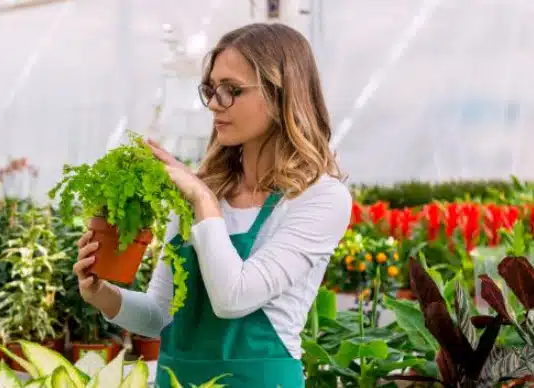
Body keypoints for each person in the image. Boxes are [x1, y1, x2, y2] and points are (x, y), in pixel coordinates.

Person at [73, 22, 352, 387]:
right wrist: (101, 294)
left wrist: (203, 200)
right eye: (211, 89)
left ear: (281, 94)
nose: (214, 105)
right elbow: (161, 314)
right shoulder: (205, 191)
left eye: (231, 90)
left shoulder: (319, 198)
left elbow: (233, 298)